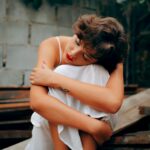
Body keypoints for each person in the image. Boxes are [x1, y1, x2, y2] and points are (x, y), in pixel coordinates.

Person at [28, 14, 128, 150]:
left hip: (88, 130)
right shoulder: (51, 45)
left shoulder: (108, 53)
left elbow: (112, 103)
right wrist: (94, 126)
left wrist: (55, 79)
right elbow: (38, 102)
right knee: (62, 71)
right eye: (76, 42)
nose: (73, 53)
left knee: (95, 71)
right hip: (50, 129)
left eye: (86, 56)